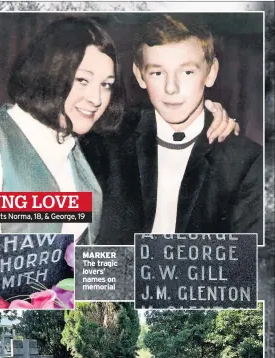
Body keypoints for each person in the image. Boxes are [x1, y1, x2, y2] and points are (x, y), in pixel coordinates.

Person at [0, 17, 237, 241]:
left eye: (106, 84)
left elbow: (158, 118)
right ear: (49, 71)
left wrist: (206, 115)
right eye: (82, 80)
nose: (96, 99)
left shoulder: (80, 144)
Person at [80, 14, 262, 244]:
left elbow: (248, 264)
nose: (171, 88)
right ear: (140, 76)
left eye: (187, 72)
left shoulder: (247, 161)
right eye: (157, 73)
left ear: (211, 72)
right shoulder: (106, 138)